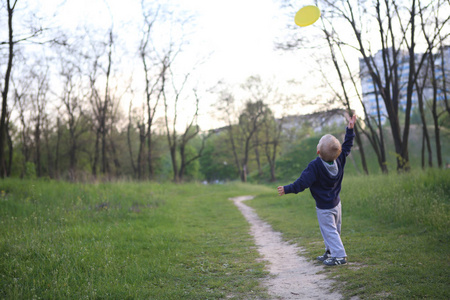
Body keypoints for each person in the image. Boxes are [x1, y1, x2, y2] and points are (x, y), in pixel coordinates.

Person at [277, 115, 357, 266]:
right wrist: (350, 129)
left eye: (319, 142)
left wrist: (286, 189)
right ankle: (330, 251)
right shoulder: (340, 159)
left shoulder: (315, 166)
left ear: (318, 152)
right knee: (334, 230)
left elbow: (302, 183)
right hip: (336, 204)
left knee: (329, 231)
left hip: (325, 208)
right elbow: (347, 146)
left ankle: (339, 255)